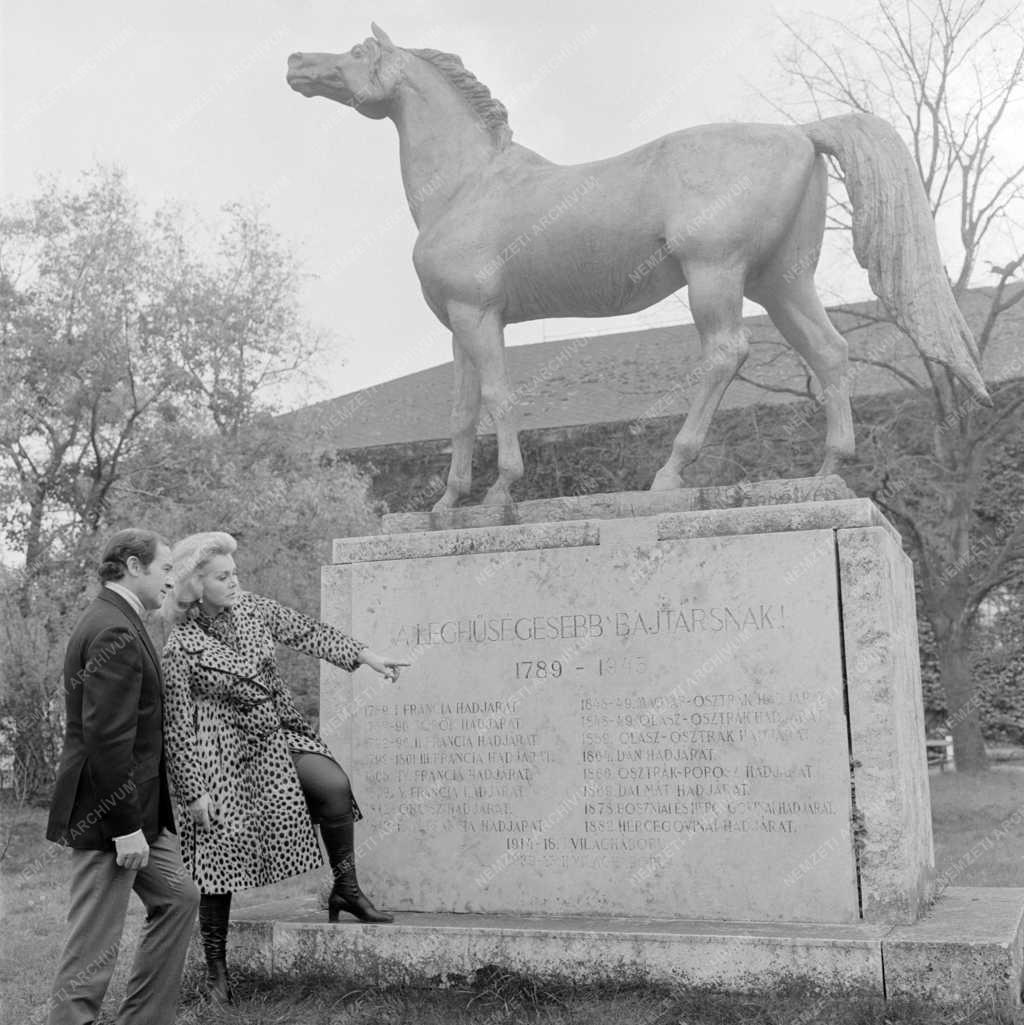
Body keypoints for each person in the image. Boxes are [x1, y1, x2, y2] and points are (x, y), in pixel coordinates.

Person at [160, 531, 409, 1004]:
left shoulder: (254, 609)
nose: (235, 582)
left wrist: (366, 656)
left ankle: (347, 889)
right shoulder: (181, 648)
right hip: (220, 759)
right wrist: (193, 793)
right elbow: (176, 728)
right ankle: (216, 968)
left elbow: (307, 631)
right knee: (218, 862)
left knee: (333, 785)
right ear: (197, 584)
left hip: (277, 736)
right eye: (222, 576)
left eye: (235, 573)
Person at [45, 528, 200, 1025]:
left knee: (178, 897)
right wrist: (126, 828)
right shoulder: (112, 628)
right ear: (134, 566)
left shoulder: (121, 619)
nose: (171, 581)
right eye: (166, 569)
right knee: (94, 940)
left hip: (138, 811)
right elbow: (106, 739)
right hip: (109, 815)